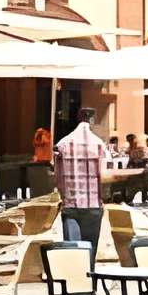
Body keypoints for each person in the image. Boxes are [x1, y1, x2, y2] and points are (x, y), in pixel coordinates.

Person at [53, 106, 108, 248]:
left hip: (70, 205)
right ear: (92, 120)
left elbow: (57, 178)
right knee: (90, 249)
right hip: (93, 205)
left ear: (77, 119)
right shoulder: (99, 144)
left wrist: (63, 195)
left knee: (74, 251)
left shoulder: (62, 144)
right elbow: (104, 176)